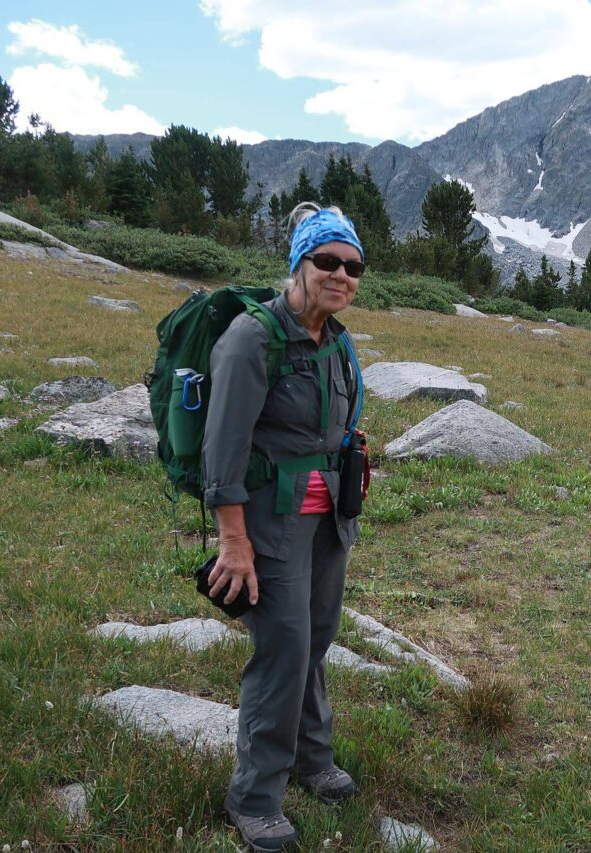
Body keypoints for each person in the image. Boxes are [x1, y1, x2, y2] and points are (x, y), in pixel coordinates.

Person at [202, 202, 366, 852]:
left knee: (316, 636)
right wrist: (233, 541)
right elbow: (223, 451)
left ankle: (311, 757)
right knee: (284, 648)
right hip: (268, 521)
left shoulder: (337, 341)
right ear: (299, 263)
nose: (340, 274)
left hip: (327, 518)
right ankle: (254, 797)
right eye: (327, 260)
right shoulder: (252, 338)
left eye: (352, 265)